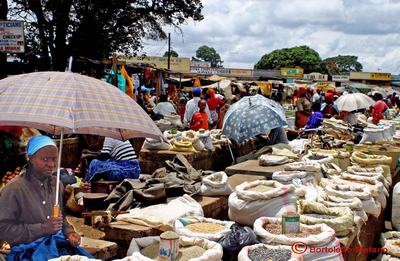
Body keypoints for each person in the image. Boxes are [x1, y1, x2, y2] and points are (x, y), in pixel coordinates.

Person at [0, 136, 83, 253]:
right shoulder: (14, 189)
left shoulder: (57, 184)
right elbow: (3, 230)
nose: (51, 164)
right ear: (30, 158)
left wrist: (69, 232)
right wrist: (42, 228)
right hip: (27, 250)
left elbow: (60, 219)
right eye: (45, 159)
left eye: (54, 159)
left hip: (56, 245)